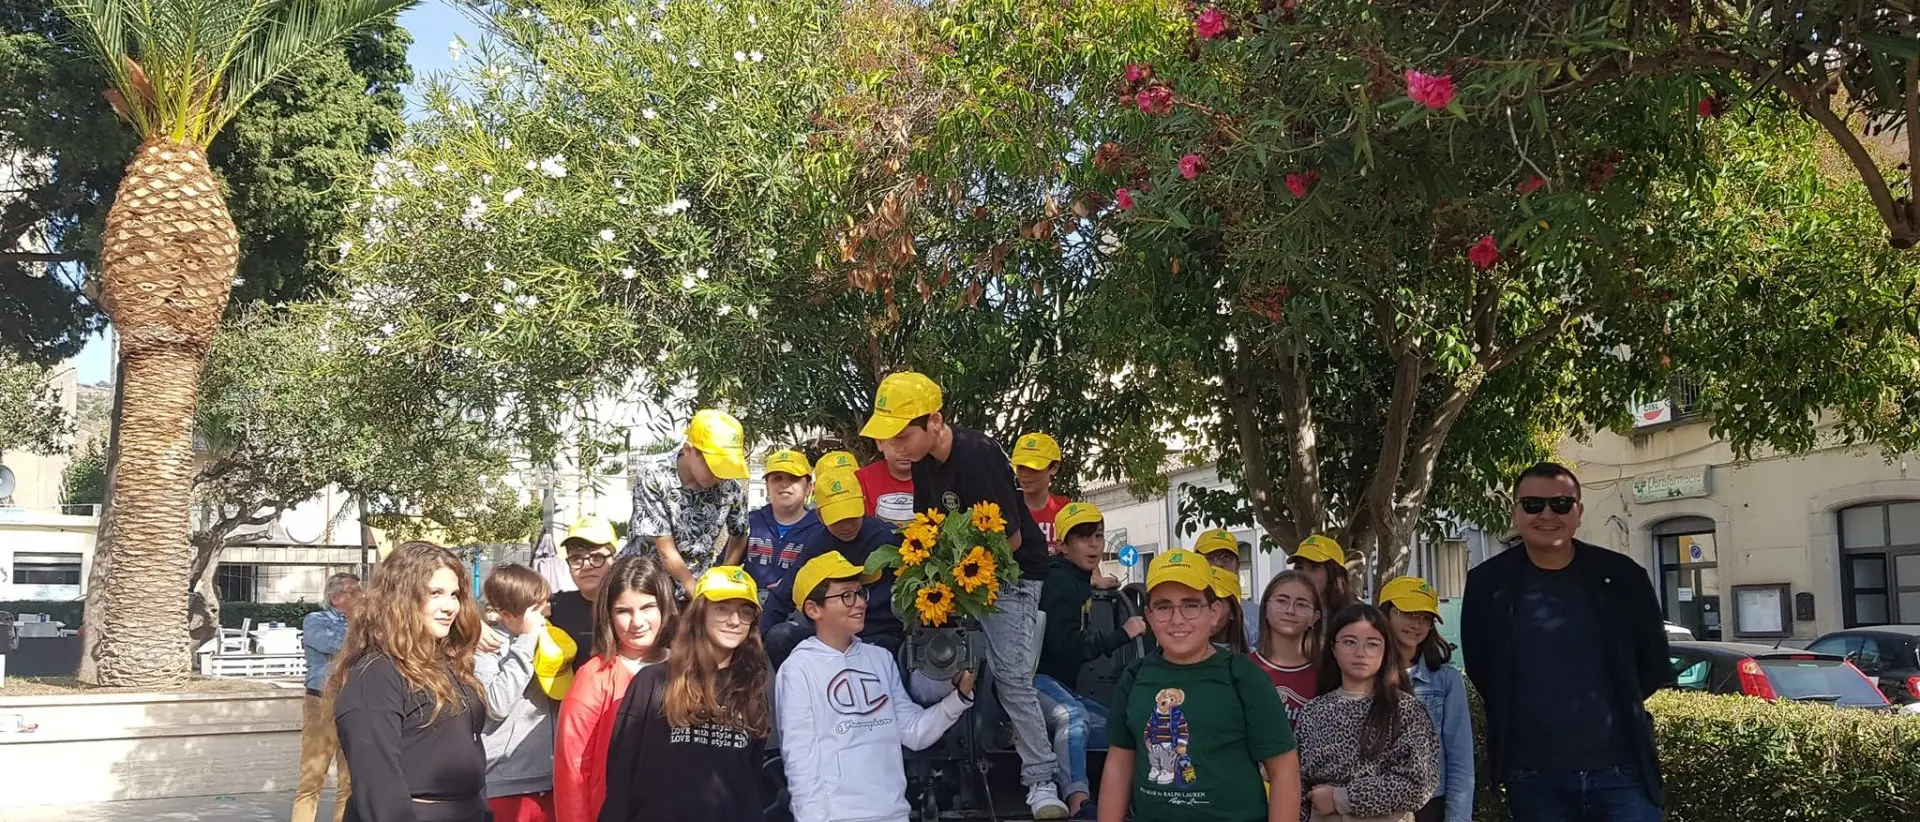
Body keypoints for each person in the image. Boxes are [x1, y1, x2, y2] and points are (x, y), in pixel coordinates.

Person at [862, 370, 1065, 818]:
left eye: (902, 435)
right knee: (929, 652)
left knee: (1012, 677)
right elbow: (928, 527)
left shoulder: (978, 455)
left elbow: (1010, 542)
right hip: (962, 573)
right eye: (888, 438)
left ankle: (1042, 782)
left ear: (934, 421)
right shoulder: (923, 465)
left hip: (1013, 575)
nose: (894, 447)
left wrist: (953, 579)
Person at [1461, 463, 1669, 822]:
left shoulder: (1623, 577)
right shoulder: (1487, 584)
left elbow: (1651, 664)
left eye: (1560, 504)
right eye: (1532, 505)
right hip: (1533, 775)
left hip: (1623, 771)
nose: (1546, 515)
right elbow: (1483, 668)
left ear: (1579, 511)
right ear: (1515, 512)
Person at [1098, 550, 1300, 822]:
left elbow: (1284, 771)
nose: (1177, 619)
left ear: (1213, 612)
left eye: (1191, 605)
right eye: (1164, 606)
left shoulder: (1243, 677)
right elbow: (1119, 766)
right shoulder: (1135, 676)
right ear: (1148, 615)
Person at [777, 552, 977, 822]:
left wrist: (959, 698)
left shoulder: (879, 658)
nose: (859, 603)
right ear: (813, 609)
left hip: (892, 814)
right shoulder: (798, 669)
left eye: (860, 593)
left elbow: (912, 733)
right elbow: (800, 758)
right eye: (846, 596)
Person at [330, 542, 488, 822]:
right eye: (435, 594)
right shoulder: (376, 672)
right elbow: (378, 783)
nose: (449, 606)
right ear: (402, 598)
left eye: (454, 595)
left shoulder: (449, 662)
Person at [601, 566, 773, 822]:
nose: (734, 620)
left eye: (744, 612)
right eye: (722, 608)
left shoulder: (753, 689)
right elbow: (620, 776)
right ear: (699, 614)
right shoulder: (653, 681)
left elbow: (750, 781)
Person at [1037, 502, 1145, 819]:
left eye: (1098, 536)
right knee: (1073, 717)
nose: (1095, 544)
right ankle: (1079, 803)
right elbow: (1067, 646)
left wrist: (1094, 581)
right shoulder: (1058, 581)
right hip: (1033, 681)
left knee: (1121, 727)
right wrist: (1121, 635)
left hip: (1059, 685)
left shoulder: (1075, 578)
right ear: (1062, 545)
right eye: (1083, 537)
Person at [554, 555, 676, 822]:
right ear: (608, 614)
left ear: (664, 607)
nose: (637, 622)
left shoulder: (687, 667)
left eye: (647, 607)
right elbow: (572, 769)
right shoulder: (593, 676)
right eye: (624, 611)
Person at [1295, 605, 1439, 822]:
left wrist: (1341, 798)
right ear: (1333, 649)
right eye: (1350, 642)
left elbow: (1419, 784)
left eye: (1372, 644)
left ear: (1385, 650)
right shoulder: (1313, 711)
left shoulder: (1406, 710)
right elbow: (1298, 786)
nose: (1360, 653)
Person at [763, 469, 904, 664]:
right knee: (779, 637)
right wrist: (754, 639)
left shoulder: (890, 538)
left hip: (878, 630)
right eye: (838, 520)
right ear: (820, 516)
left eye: (852, 517)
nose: (847, 526)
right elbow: (785, 592)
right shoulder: (817, 545)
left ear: (863, 504)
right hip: (829, 631)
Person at [475, 564, 565, 822]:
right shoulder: (488, 647)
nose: (546, 613)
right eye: (536, 609)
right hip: (506, 783)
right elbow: (496, 704)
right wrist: (526, 641)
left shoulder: (552, 639)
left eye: (546, 603)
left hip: (550, 780)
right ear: (507, 614)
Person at [1379, 576, 1472, 822]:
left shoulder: (1446, 679)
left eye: (1425, 617)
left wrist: (1458, 818)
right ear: (1385, 613)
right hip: (1373, 804)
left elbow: (1460, 757)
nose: (1416, 624)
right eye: (1408, 613)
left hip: (1430, 804)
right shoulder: (1363, 675)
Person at [628, 409, 751, 592]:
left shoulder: (730, 487)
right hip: (647, 586)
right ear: (689, 451)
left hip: (699, 586)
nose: (719, 477)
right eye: (713, 467)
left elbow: (740, 533)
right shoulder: (654, 478)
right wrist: (694, 593)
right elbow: (666, 550)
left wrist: (724, 576)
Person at [295, 572, 360, 822]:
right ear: (335, 598)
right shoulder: (316, 620)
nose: (359, 597)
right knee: (312, 776)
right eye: (353, 593)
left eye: (359, 592)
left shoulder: (363, 623)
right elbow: (338, 646)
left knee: (350, 780)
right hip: (322, 701)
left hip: (353, 703)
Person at [743, 449, 822, 600]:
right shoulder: (751, 521)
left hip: (797, 610)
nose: (785, 484)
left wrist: (794, 584)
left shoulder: (820, 529)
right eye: (777, 478)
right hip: (750, 607)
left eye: (793, 478)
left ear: (809, 488)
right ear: (767, 486)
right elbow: (726, 564)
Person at [1252, 571, 1323, 728]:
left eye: (1302, 604)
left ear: (1314, 617)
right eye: (1281, 601)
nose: (1290, 610)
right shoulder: (1241, 668)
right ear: (1265, 609)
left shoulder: (1326, 676)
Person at [550, 517, 618, 673]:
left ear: (615, 560)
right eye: (576, 559)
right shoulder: (555, 606)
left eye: (597, 557)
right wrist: (483, 629)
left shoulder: (633, 606)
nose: (586, 566)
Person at [1011, 432, 1070, 547]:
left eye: (1034, 468)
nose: (1025, 474)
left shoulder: (1065, 509)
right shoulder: (1006, 508)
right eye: (1021, 467)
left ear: (1054, 468)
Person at [1290, 535, 1355, 633]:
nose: (1304, 575)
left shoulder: (1355, 619)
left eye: (1314, 567)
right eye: (1299, 567)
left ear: (1335, 574)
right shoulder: (1285, 615)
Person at [856, 439, 917, 526]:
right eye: (896, 443)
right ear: (880, 443)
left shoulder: (934, 477)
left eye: (911, 442)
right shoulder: (862, 479)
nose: (904, 451)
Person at [1208, 566, 1250, 655]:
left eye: (1214, 601)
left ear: (1233, 612)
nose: (1206, 609)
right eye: (1199, 601)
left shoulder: (1251, 660)